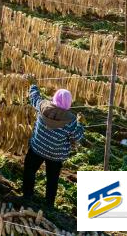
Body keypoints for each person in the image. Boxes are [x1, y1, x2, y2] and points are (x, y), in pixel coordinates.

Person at [22, 76, 85, 210]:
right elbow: (77, 137)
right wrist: (81, 124)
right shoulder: (71, 120)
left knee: (29, 170)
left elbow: (34, 97)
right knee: (52, 179)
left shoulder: (43, 106)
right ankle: (49, 204)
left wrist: (33, 85)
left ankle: (27, 195)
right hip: (56, 155)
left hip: (37, 148)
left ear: (54, 98)